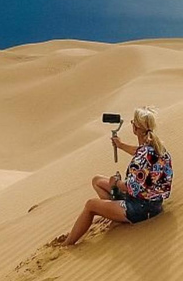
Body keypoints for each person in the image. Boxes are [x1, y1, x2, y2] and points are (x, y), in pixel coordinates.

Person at [61, 105, 173, 246]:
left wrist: (117, 183)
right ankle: (111, 213)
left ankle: (67, 244)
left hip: (141, 209)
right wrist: (120, 145)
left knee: (90, 205)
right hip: (154, 203)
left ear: (136, 129)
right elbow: (138, 151)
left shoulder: (140, 160)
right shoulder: (157, 148)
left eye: (133, 122)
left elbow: (131, 188)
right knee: (97, 180)